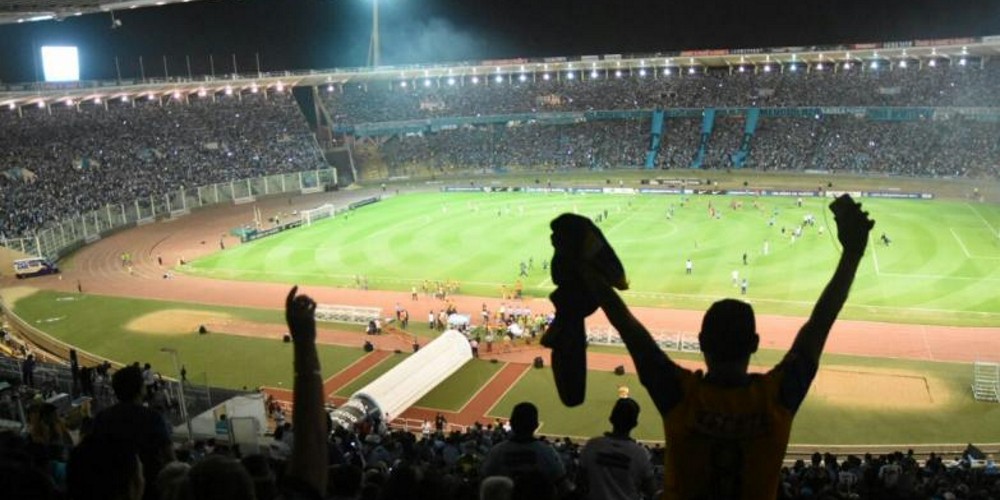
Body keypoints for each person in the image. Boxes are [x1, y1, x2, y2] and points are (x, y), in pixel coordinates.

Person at [582, 194, 873, 499]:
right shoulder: (777, 398)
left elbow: (629, 329)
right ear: (755, 344)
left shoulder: (680, 396)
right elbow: (820, 323)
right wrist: (853, 253)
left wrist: (586, 271)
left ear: (701, 342)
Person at [480, 402, 573, 495]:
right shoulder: (547, 453)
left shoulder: (496, 453)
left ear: (511, 423)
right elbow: (563, 486)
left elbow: (484, 483)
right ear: (536, 425)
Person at [578, 398, 655, 500]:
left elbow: (580, 482)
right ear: (635, 424)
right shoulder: (640, 454)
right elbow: (651, 490)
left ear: (611, 418)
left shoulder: (592, 446)